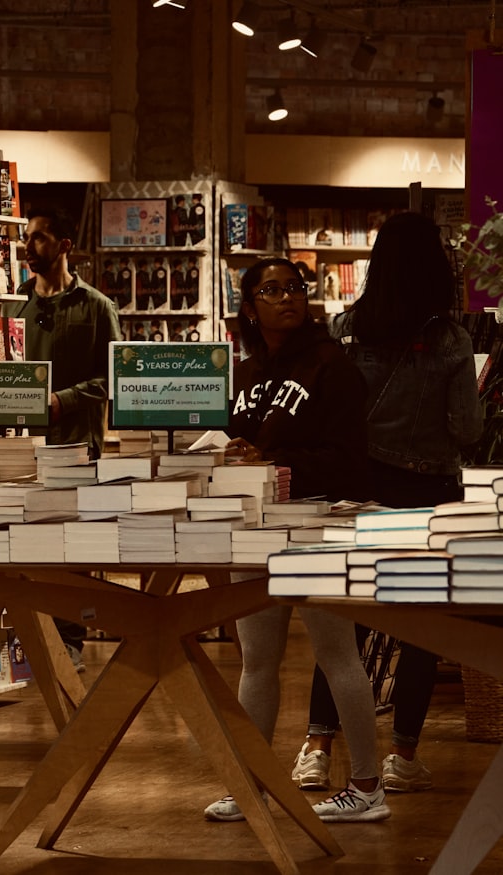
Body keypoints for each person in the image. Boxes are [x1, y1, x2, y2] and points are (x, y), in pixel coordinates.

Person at [291, 211, 484, 795]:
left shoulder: (346, 328)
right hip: (428, 498)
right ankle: (402, 756)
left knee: (340, 622)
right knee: (423, 624)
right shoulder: (452, 340)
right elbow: (467, 430)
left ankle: (318, 748)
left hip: (360, 491)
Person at [204, 257, 390, 824]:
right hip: (253, 527)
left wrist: (274, 459)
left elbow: (351, 463)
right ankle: (252, 782)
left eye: (295, 287)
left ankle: (366, 786)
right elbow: (234, 440)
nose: (286, 297)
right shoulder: (244, 372)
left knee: (337, 655)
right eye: (271, 290)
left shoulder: (333, 367)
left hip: (317, 526)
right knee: (257, 659)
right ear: (249, 305)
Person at [3, 203, 121, 672]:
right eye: (26, 238)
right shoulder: (12, 304)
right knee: (22, 546)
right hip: (18, 447)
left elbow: (114, 376)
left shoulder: (96, 306)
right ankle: (29, 643)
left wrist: (62, 400)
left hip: (76, 446)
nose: (28, 246)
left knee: (73, 549)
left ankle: (70, 642)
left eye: (38, 237)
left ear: (64, 245)